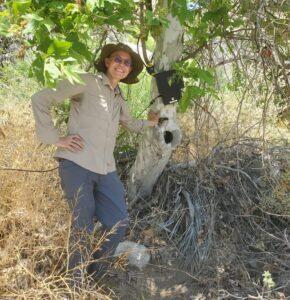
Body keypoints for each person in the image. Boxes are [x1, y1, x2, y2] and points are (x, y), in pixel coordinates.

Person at [31, 43, 159, 287]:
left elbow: (129, 123)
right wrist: (55, 139)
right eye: (118, 60)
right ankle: (74, 283)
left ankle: (95, 273)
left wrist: (151, 123)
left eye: (127, 62)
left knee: (118, 221)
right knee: (83, 223)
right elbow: (40, 98)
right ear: (108, 61)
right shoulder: (87, 81)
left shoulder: (118, 95)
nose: (122, 65)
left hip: (106, 169)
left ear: (130, 70)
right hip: (77, 164)